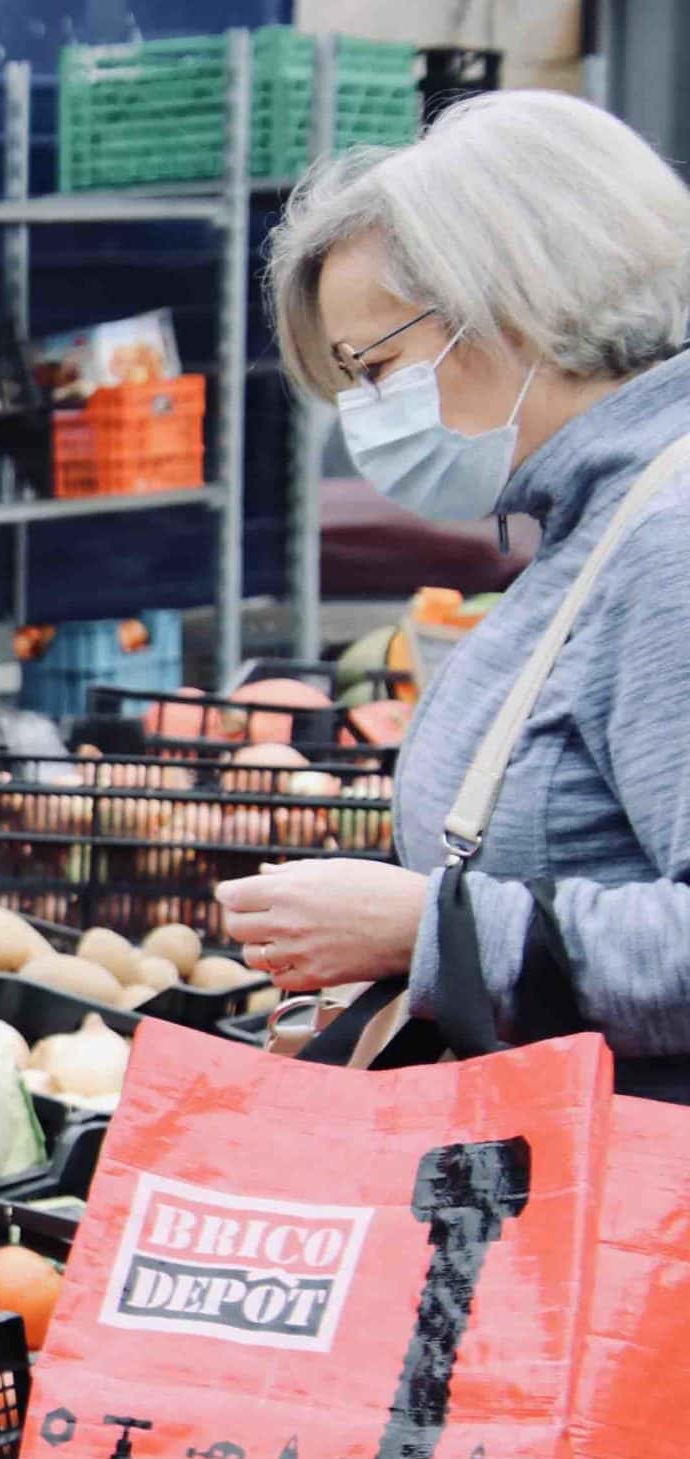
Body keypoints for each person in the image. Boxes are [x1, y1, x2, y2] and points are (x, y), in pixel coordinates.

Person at [218, 89, 690, 1105]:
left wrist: (425, 929)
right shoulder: (598, 514)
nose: (365, 415)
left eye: (375, 366)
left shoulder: (670, 540)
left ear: (506, 306)